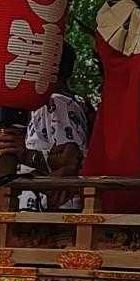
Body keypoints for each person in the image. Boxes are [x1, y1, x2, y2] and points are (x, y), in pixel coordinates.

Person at [25, 46, 90, 211]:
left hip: (58, 208)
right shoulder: (58, 102)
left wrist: (24, 155)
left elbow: (66, 161)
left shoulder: (57, 103)